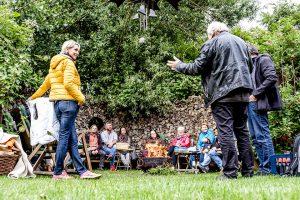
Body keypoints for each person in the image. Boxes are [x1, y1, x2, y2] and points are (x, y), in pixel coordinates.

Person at [167, 21, 254, 179]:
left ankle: (229, 173)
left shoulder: (212, 43)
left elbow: (197, 67)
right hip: (243, 92)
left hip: (222, 94)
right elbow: (250, 66)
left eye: (208, 35)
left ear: (213, 32)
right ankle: (248, 171)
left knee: (225, 132)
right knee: (242, 132)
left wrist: (179, 65)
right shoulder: (241, 42)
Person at [30, 40, 101, 179]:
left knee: (72, 140)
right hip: (69, 103)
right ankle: (57, 172)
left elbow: (45, 86)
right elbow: (68, 84)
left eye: (78, 51)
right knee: (64, 138)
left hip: (58, 104)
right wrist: (81, 98)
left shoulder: (55, 65)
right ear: (67, 49)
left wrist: (32, 97)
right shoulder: (68, 62)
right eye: (75, 50)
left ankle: (82, 171)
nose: (77, 53)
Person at [247, 44, 282, 175]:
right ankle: (263, 167)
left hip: (258, 102)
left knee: (262, 135)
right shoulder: (250, 64)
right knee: (255, 137)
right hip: (249, 104)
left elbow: (272, 78)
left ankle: (269, 168)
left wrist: (256, 94)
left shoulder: (263, 59)